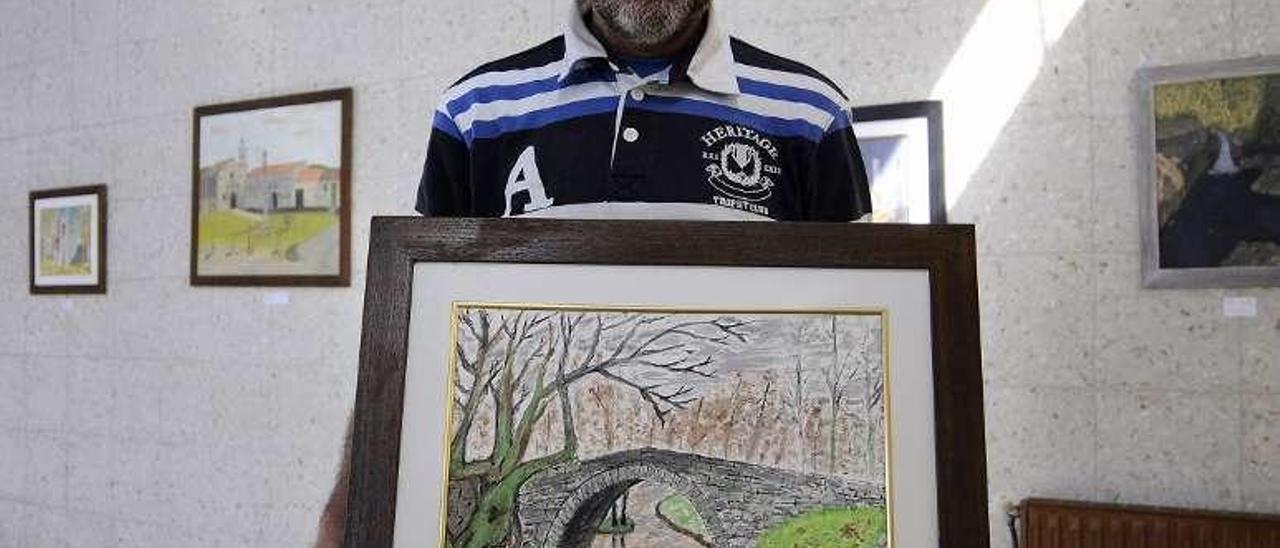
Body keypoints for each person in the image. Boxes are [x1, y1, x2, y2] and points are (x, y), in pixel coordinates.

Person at [313, 0, 871, 545]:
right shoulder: (477, 111)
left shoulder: (810, 113)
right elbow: (420, 325)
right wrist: (354, 491)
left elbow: (859, 330)